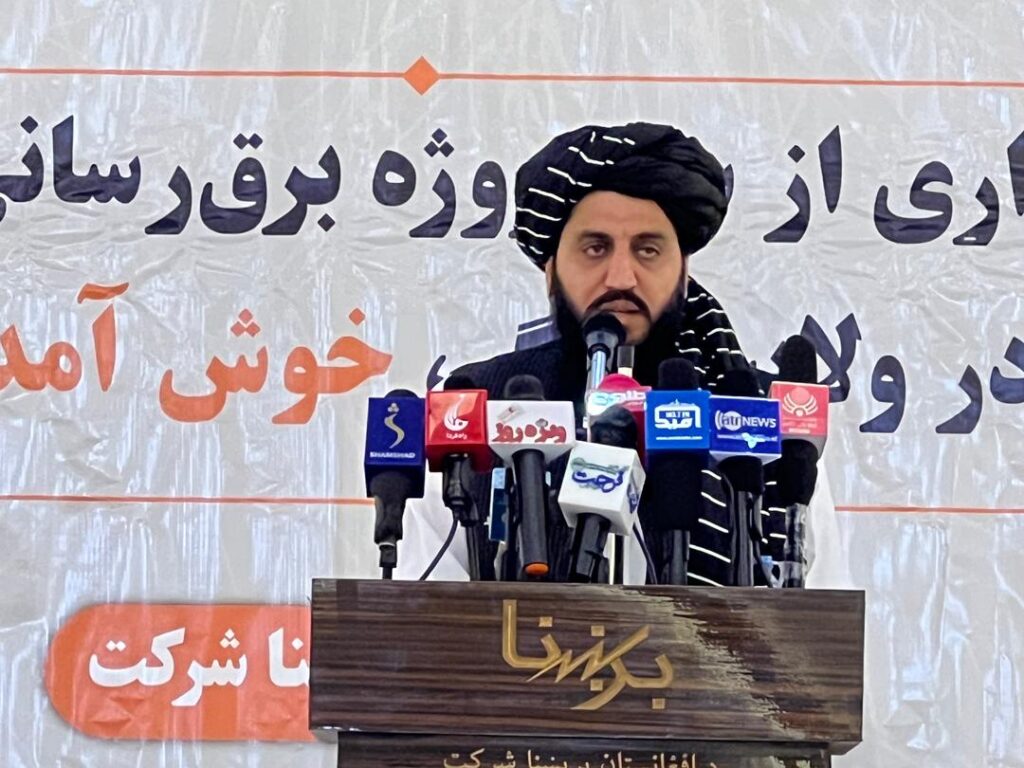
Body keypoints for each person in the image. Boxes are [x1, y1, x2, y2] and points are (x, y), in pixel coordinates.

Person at [403, 121, 844, 588]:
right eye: (595, 248)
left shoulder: (763, 418)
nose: (621, 277)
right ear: (550, 271)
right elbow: (428, 608)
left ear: (683, 270)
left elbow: (818, 610)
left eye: (647, 250)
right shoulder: (477, 404)